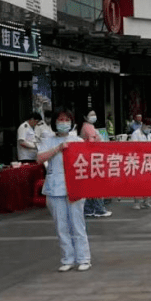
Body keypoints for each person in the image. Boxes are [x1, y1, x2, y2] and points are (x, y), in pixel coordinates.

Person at [37, 109, 91, 272]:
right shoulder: (48, 140)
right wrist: (58, 148)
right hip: (55, 186)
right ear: (54, 122)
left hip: (74, 187)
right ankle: (67, 258)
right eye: (60, 120)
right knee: (61, 225)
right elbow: (40, 158)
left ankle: (84, 258)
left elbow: (88, 161)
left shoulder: (78, 141)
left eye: (67, 120)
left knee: (77, 223)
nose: (63, 123)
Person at [80, 111, 112, 219]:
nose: (94, 116)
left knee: (90, 185)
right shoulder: (88, 127)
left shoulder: (88, 126)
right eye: (91, 114)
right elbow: (92, 143)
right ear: (85, 116)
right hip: (93, 159)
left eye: (94, 114)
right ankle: (99, 209)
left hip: (89, 159)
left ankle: (89, 209)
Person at [130, 117, 151, 209]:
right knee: (138, 182)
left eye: (150, 127)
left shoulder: (149, 135)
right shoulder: (135, 134)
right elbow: (134, 147)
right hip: (138, 161)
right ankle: (136, 202)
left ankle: (146, 201)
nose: (149, 129)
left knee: (148, 182)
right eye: (148, 127)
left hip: (148, 161)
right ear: (143, 125)